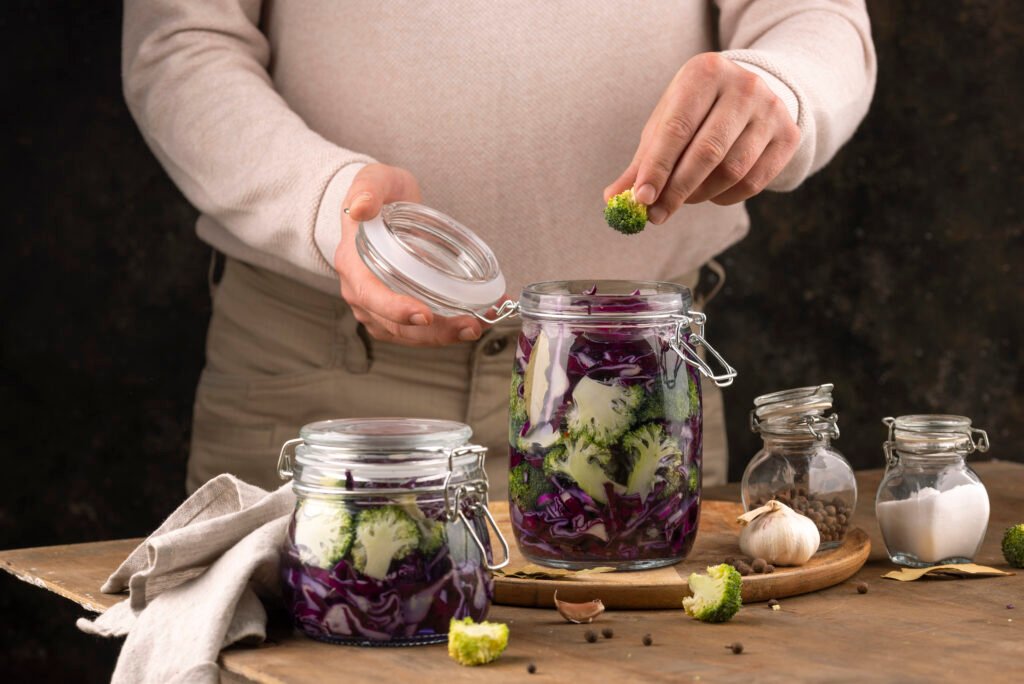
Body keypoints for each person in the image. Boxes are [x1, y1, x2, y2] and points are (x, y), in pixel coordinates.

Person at [122, 1, 876, 496]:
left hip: (628, 376)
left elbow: (819, 19)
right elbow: (181, 41)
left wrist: (776, 87)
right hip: (321, 379)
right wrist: (327, 206)